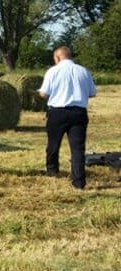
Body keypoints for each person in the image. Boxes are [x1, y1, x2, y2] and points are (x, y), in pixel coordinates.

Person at [39, 46, 97, 189]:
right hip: (79, 112)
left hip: (57, 113)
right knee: (77, 149)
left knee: (53, 144)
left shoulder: (53, 71)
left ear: (57, 57)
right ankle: (78, 182)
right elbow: (92, 93)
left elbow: (44, 94)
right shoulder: (84, 71)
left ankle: (52, 171)